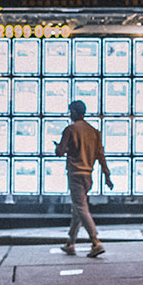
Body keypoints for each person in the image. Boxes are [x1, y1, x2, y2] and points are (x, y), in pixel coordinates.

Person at [54, 100, 112, 257]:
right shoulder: (94, 132)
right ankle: (70, 243)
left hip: (75, 174)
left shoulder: (70, 129)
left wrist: (60, 148)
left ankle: (96, 242)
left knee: (81, 208)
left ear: (73, 112)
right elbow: (101, 155)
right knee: (78, 208)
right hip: (88, 176)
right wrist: (107, 175)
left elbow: (60, 151)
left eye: (70, 111)